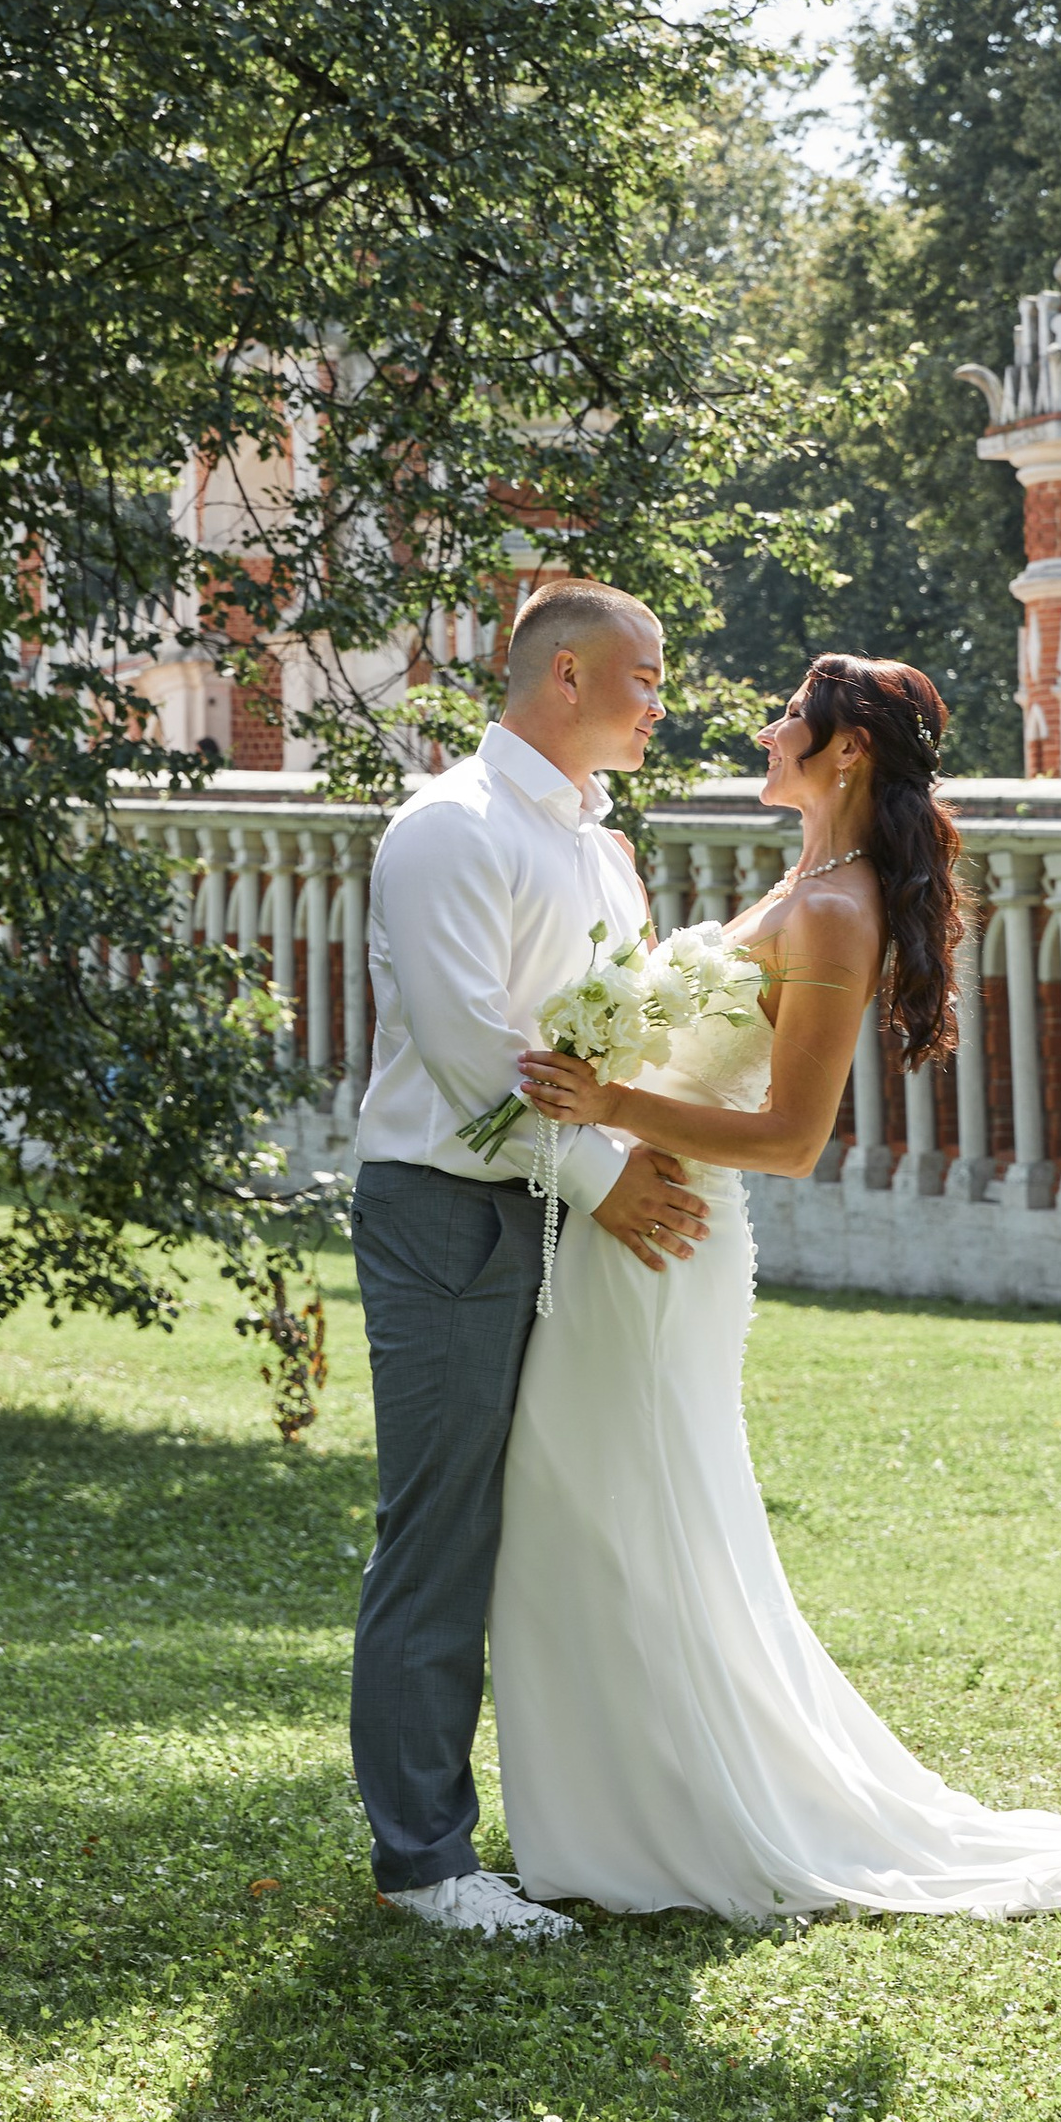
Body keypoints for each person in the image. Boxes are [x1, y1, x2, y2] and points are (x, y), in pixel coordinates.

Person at [492, 652, 1061, 1922]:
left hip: (669, 1241)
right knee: (599, 1508)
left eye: (786, 717)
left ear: (844, 750)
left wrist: (609, 1100)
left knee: (636, 1511)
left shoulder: (838, 913)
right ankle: (624, 1807)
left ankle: (671, 1822)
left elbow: (796, 1138)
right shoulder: (801, 882)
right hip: (626, 1226)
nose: (764, 727)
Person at [347, 581, 709, 1941]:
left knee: (575, 1524)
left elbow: (603, 1054)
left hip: (566, 1216)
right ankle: (426, 1864)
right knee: (442, 1535)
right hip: (446, 1213)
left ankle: (590, 1826)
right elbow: (465, 1052)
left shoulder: (600, 850)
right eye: (647, 676)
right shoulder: (449, 830)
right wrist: (607, 1178)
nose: (660, 703)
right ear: (563, 676)